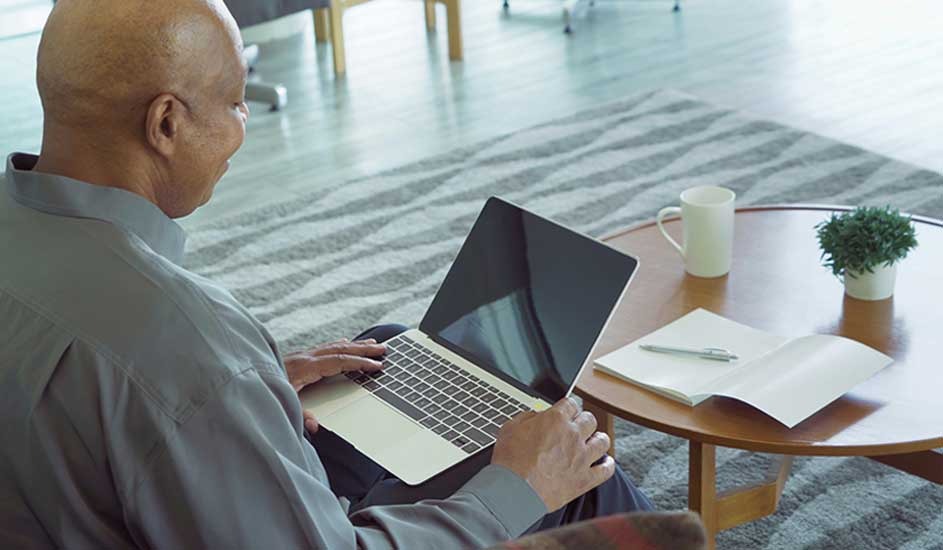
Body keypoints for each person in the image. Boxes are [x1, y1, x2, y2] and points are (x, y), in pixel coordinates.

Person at [0, 0, 653, 548]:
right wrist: (516, 487)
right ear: (165, 123)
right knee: (574, 471)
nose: (243, 123)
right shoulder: (189, 348)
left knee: (386, 346)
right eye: (235, 102)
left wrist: (257, 397)